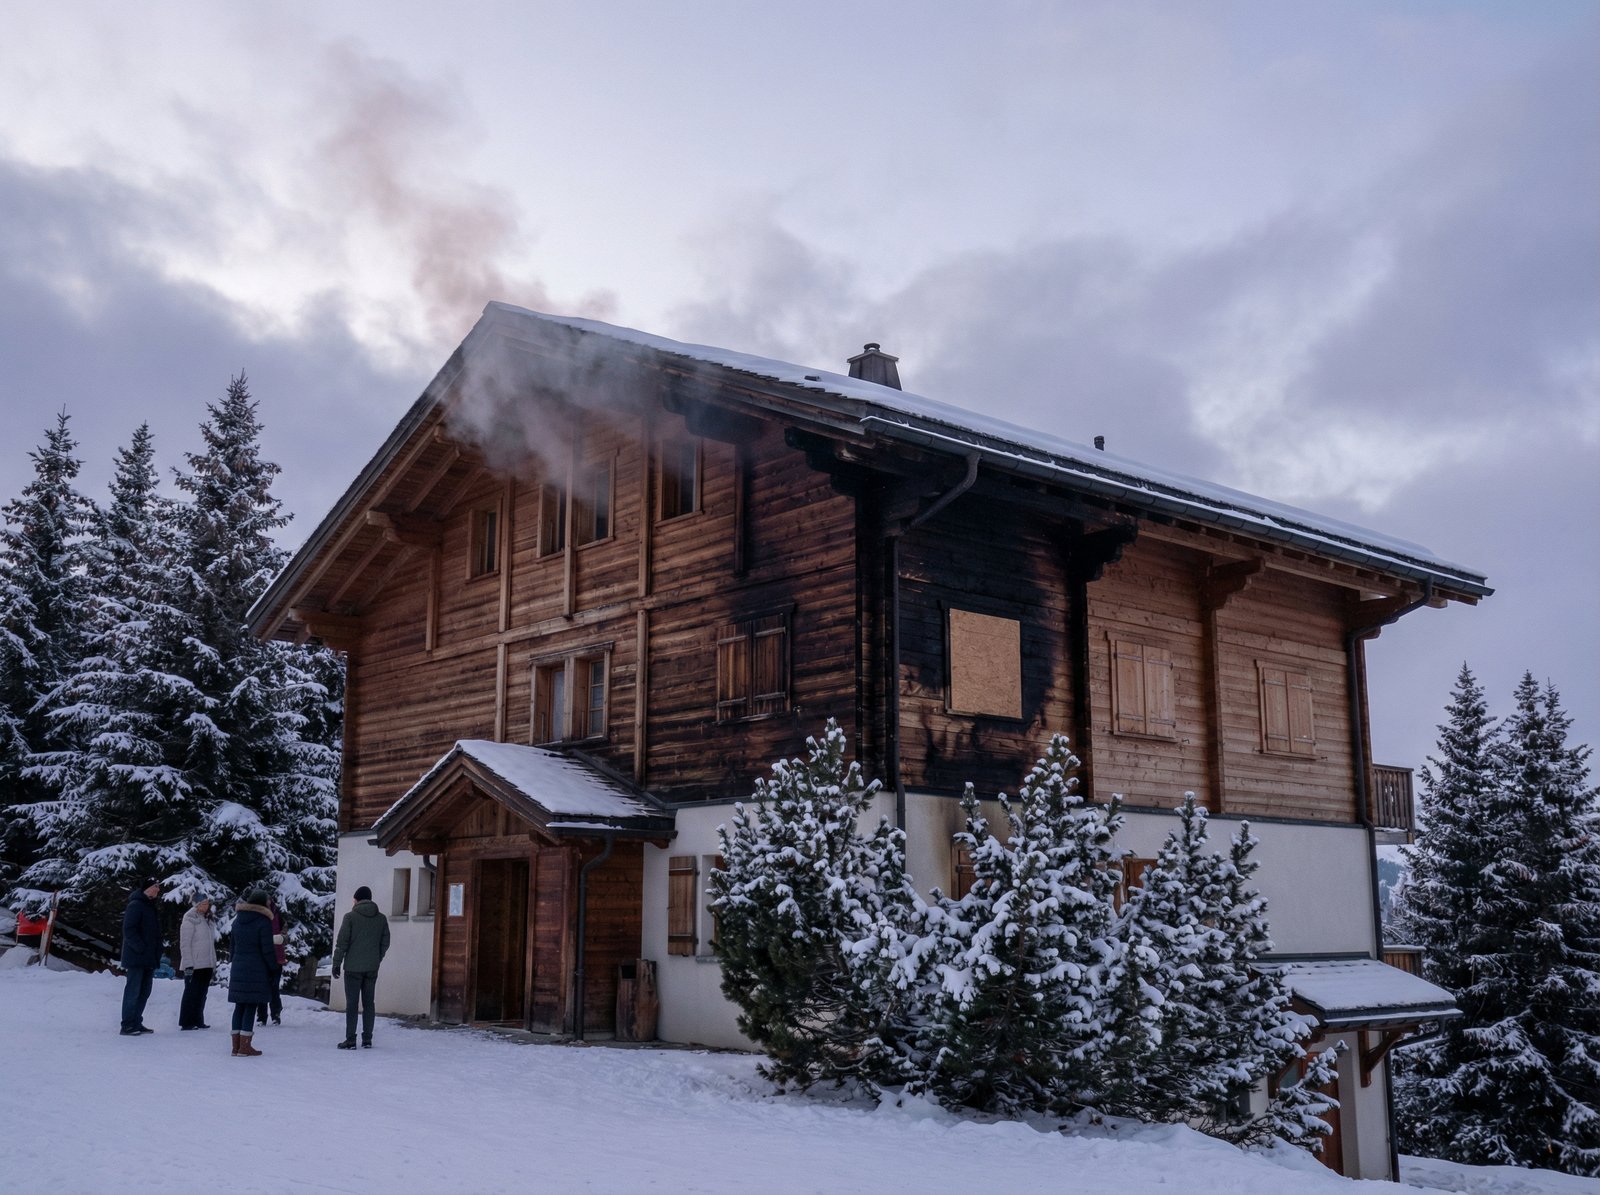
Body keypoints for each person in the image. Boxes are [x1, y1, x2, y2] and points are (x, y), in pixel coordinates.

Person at [331, 885, 390, 1050]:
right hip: (372, 967)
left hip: (352, 968)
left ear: (356, 899)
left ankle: (350, 1039)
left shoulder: (350, 917)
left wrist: (336, 963)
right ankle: (367, 1039)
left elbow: (342, 943)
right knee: (369, 1002)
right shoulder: (381, 918)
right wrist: (377, 957)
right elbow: (385, 942)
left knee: (352, 1003)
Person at [227, 888, 277, 1057]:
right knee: (251, 1005)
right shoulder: (263, 922)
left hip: (239, 966)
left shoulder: (237, 920)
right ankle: (245, 1046)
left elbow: (232, 947)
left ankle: (235, 1046)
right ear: (262, 903)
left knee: (239, 1005)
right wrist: (273, 967)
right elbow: (267, 950)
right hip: (256, 968)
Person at [119, 877, 162, 1036]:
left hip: (148, 958)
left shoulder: (150, 906)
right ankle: (127, 1024)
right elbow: (129, 930)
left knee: (144, 991)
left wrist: (156, 950)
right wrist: (141, 948)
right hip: (137, 957)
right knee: (133, 990)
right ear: (147, 888)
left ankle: (137, 1021)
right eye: (155, 886)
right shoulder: (136, 905)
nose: (158, 889)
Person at [178, 896, 217, 1030]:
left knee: (202, 993)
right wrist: (188, 963)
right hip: (194, 964)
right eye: (203, 903)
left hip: (206, 963)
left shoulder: (208, 920)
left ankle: (198, 1019)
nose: (206, 906)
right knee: (191, 993)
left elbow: (210, 944)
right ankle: (186, 1021)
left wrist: (213, 962)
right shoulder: (189, 919)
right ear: (197, 904)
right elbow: (185, 944)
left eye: (207, 903)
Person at [257, 897, 286, 1027]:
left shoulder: (278, 915)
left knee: (274, 987)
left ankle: (276, 1014)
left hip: (277, 956)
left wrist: (281, 938)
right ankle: (261, 1016)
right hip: (261, 956)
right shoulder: (257, 915)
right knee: (262, 986)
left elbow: (285, 933)